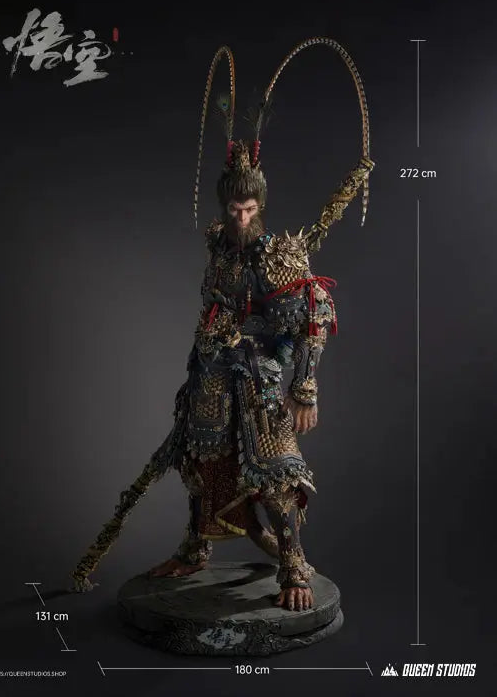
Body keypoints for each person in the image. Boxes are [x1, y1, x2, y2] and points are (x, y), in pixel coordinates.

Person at [146, 138, 374, 611]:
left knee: (275, 470)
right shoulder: (219, 247)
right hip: (210, 372)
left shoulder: (276, 257)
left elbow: (315, 311)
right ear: (224, 207)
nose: (241, 219)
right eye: (234, 209)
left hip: (256, 376)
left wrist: (304, 389)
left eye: (249, 210)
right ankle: (195, 549)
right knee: (201, 463)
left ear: (260, 207)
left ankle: (292, 565)